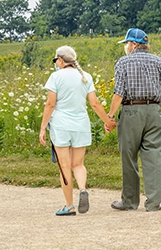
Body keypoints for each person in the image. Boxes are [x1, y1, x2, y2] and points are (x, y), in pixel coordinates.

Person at [106, 28, 161, 212]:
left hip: (131, 111)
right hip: (154, 111)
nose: (126, 47)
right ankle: (153, 203)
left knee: (129, 157)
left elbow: (119, 93)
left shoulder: (123, 62)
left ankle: (130, 202)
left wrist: (111, 116)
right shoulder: (158, 61)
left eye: (127, 44)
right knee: (155, 156)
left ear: (134, 44)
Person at [39, 45, 115, 216]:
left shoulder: (55, 77)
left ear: (60, 60)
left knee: (64, 167)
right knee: (78, 164)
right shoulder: (85, 76)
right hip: (81, 124)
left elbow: (50, 104)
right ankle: (82, 189)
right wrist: (108, 122)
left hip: (61, 125)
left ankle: (69, 205)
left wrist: (43, 127)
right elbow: (94, 104)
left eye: (55, 60)